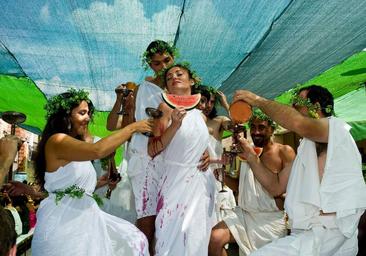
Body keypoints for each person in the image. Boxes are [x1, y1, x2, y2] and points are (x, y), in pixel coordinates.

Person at [233, 85, 366, 255]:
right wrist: (251, 157)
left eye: (297, 104)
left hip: (330, 232)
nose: (292, 109)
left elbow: (297, 122)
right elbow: (275, 187)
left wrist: (258, 101)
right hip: (307, 235)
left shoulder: (334, 128)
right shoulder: (305, 147)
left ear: (316, 107)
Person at [107, 40, 209, 254]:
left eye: (166, 61)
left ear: (173, 58)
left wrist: (203, 150)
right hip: (146, 156)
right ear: (149, 64)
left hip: (170, 162)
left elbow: (191, 133)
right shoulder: (144, 88)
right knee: (149, 219)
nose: (162, 67)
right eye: (156, 63)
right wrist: (146, 124)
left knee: (169, 219)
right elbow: (127, 126)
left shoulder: (182, 93)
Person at [31, 88, 152, 256]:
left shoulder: (74, 146)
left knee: (133, 239)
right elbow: (97, 150)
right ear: (66, 115)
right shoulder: (56, 140)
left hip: (86, 220)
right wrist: (132, 128)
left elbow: (74, 185)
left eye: (88, 113)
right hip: (63, 222)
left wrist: (101, 183)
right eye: (82, 113)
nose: (88, 118)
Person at [148, 63, 216, 255]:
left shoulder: (201, 116)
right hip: (174, 182)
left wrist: (205, 154)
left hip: (200, 185)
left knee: (196, 240)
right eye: (169, 77)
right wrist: (174, 125)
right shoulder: (164, 108)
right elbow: (152, 149)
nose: (174, 77)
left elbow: (197, 145)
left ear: (192, 81)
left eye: (179, 74)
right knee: (170, 237)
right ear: (167, 88)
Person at [208, 109, 296, 256]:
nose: (256, 132)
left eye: (261, 127)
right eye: (253, 127)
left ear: (272, 129)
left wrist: (283, 196)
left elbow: (293, 188)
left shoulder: (284, 152)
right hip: (244, 214)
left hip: (270, 221)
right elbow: (241, 187)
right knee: (214, 238)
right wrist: (223, 176)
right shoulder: (247, 152)